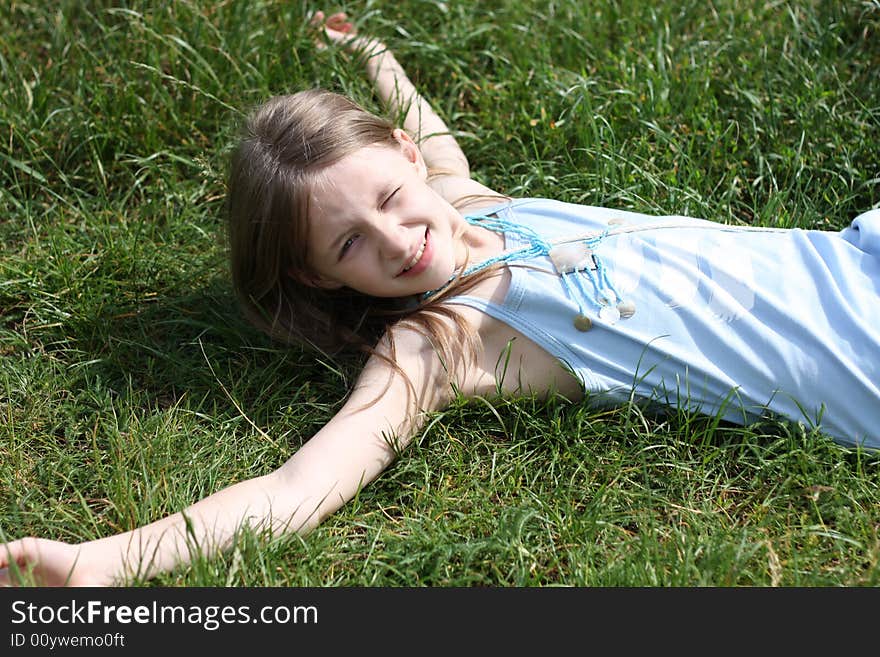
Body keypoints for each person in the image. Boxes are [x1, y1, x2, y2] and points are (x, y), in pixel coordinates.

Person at [1, 10, 879, 587]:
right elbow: (299, 485)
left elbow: (436, 145)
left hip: (855, 252)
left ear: (403, 159)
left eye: (388, 198)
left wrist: (376, 58)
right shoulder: (440, 343)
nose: (397, 241)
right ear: (317, 275)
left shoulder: (464, 202)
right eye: (351, 244)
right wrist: (101, 563)